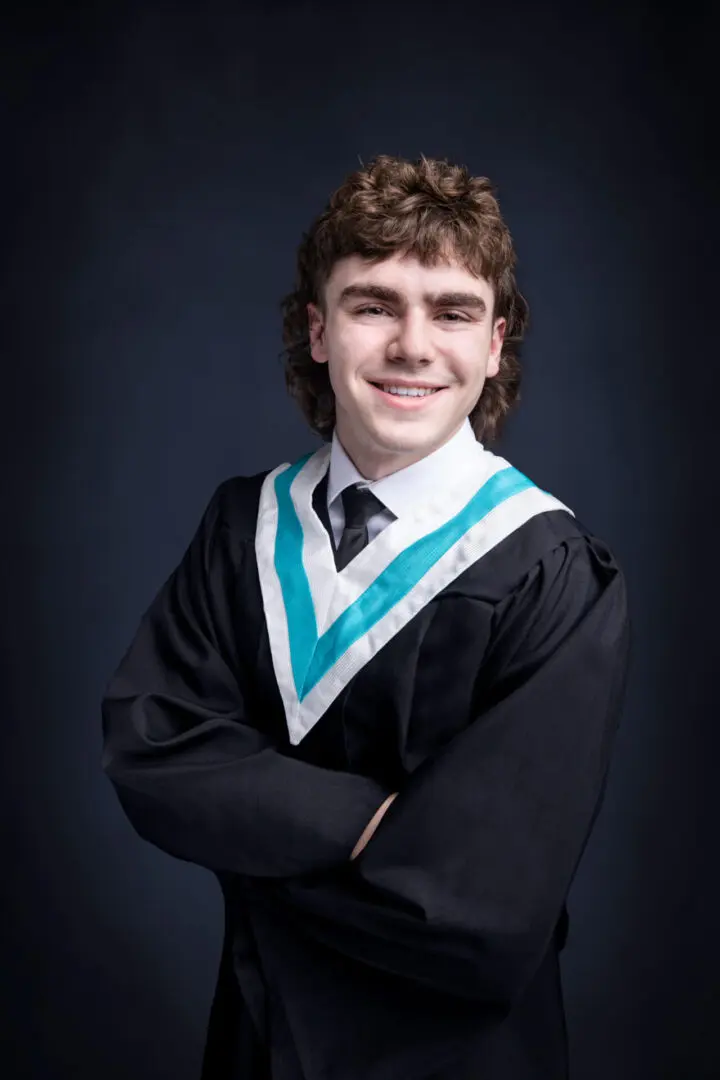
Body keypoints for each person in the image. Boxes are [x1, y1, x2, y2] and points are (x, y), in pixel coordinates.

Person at [101, 153, 631, 1080]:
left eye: (453, 311)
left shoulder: (548, 567)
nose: (413, 345)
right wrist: (371, 823)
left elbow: (483, 905)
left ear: (496, 344)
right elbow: (152, 752)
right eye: (373, 304)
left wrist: (255, 839)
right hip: (258, 1041)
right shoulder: (244, 528)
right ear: (318, 330)